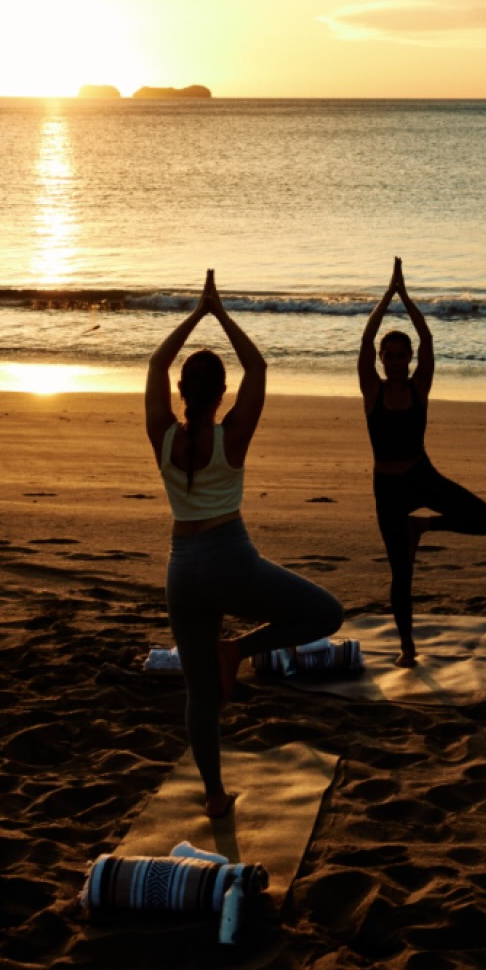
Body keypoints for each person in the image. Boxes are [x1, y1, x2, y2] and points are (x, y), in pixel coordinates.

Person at [147, 270, 342, 817]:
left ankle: (213, 795)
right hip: (229, 560)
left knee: (199, 695)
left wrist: (193, 314)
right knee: (326, 613)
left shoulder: (162, 434)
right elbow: (258, 365)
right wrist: (220, 312)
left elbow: (156, 364)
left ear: (183, 392)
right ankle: (239, 649)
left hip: (181, 571)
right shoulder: (230, 437)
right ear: (221, 394)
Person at [358, 255, 486, 666]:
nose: (398, 360)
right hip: (387, 490)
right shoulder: (373, 392)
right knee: (401, 575)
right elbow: (364, 343)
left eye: (403, 354)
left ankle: (424, 525)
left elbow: (429, 341)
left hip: (422, 477)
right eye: (392, 354)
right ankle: (407, 648)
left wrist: (408, 297)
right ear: (383, 359)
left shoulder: (420, 387)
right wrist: (387, 297)